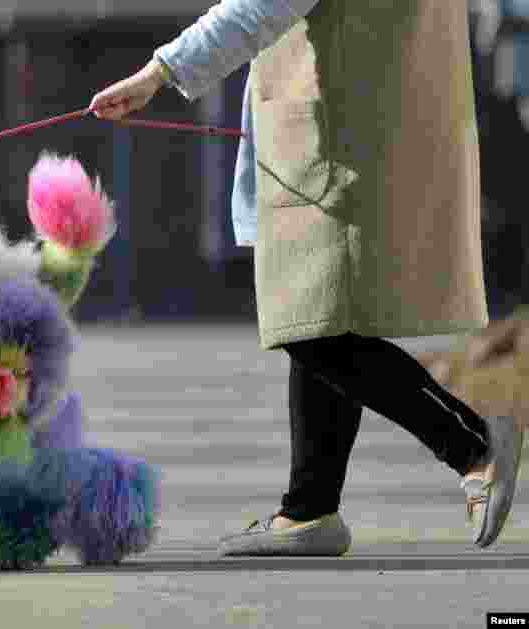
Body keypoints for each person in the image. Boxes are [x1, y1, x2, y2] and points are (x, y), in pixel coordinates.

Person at [89, 0, 525, 556]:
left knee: (309, 325)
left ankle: (473, 446)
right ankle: (310, 509)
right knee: (321, 315)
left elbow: (260, 8)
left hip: (332, 140)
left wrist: (159, 72)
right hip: (355, 126)